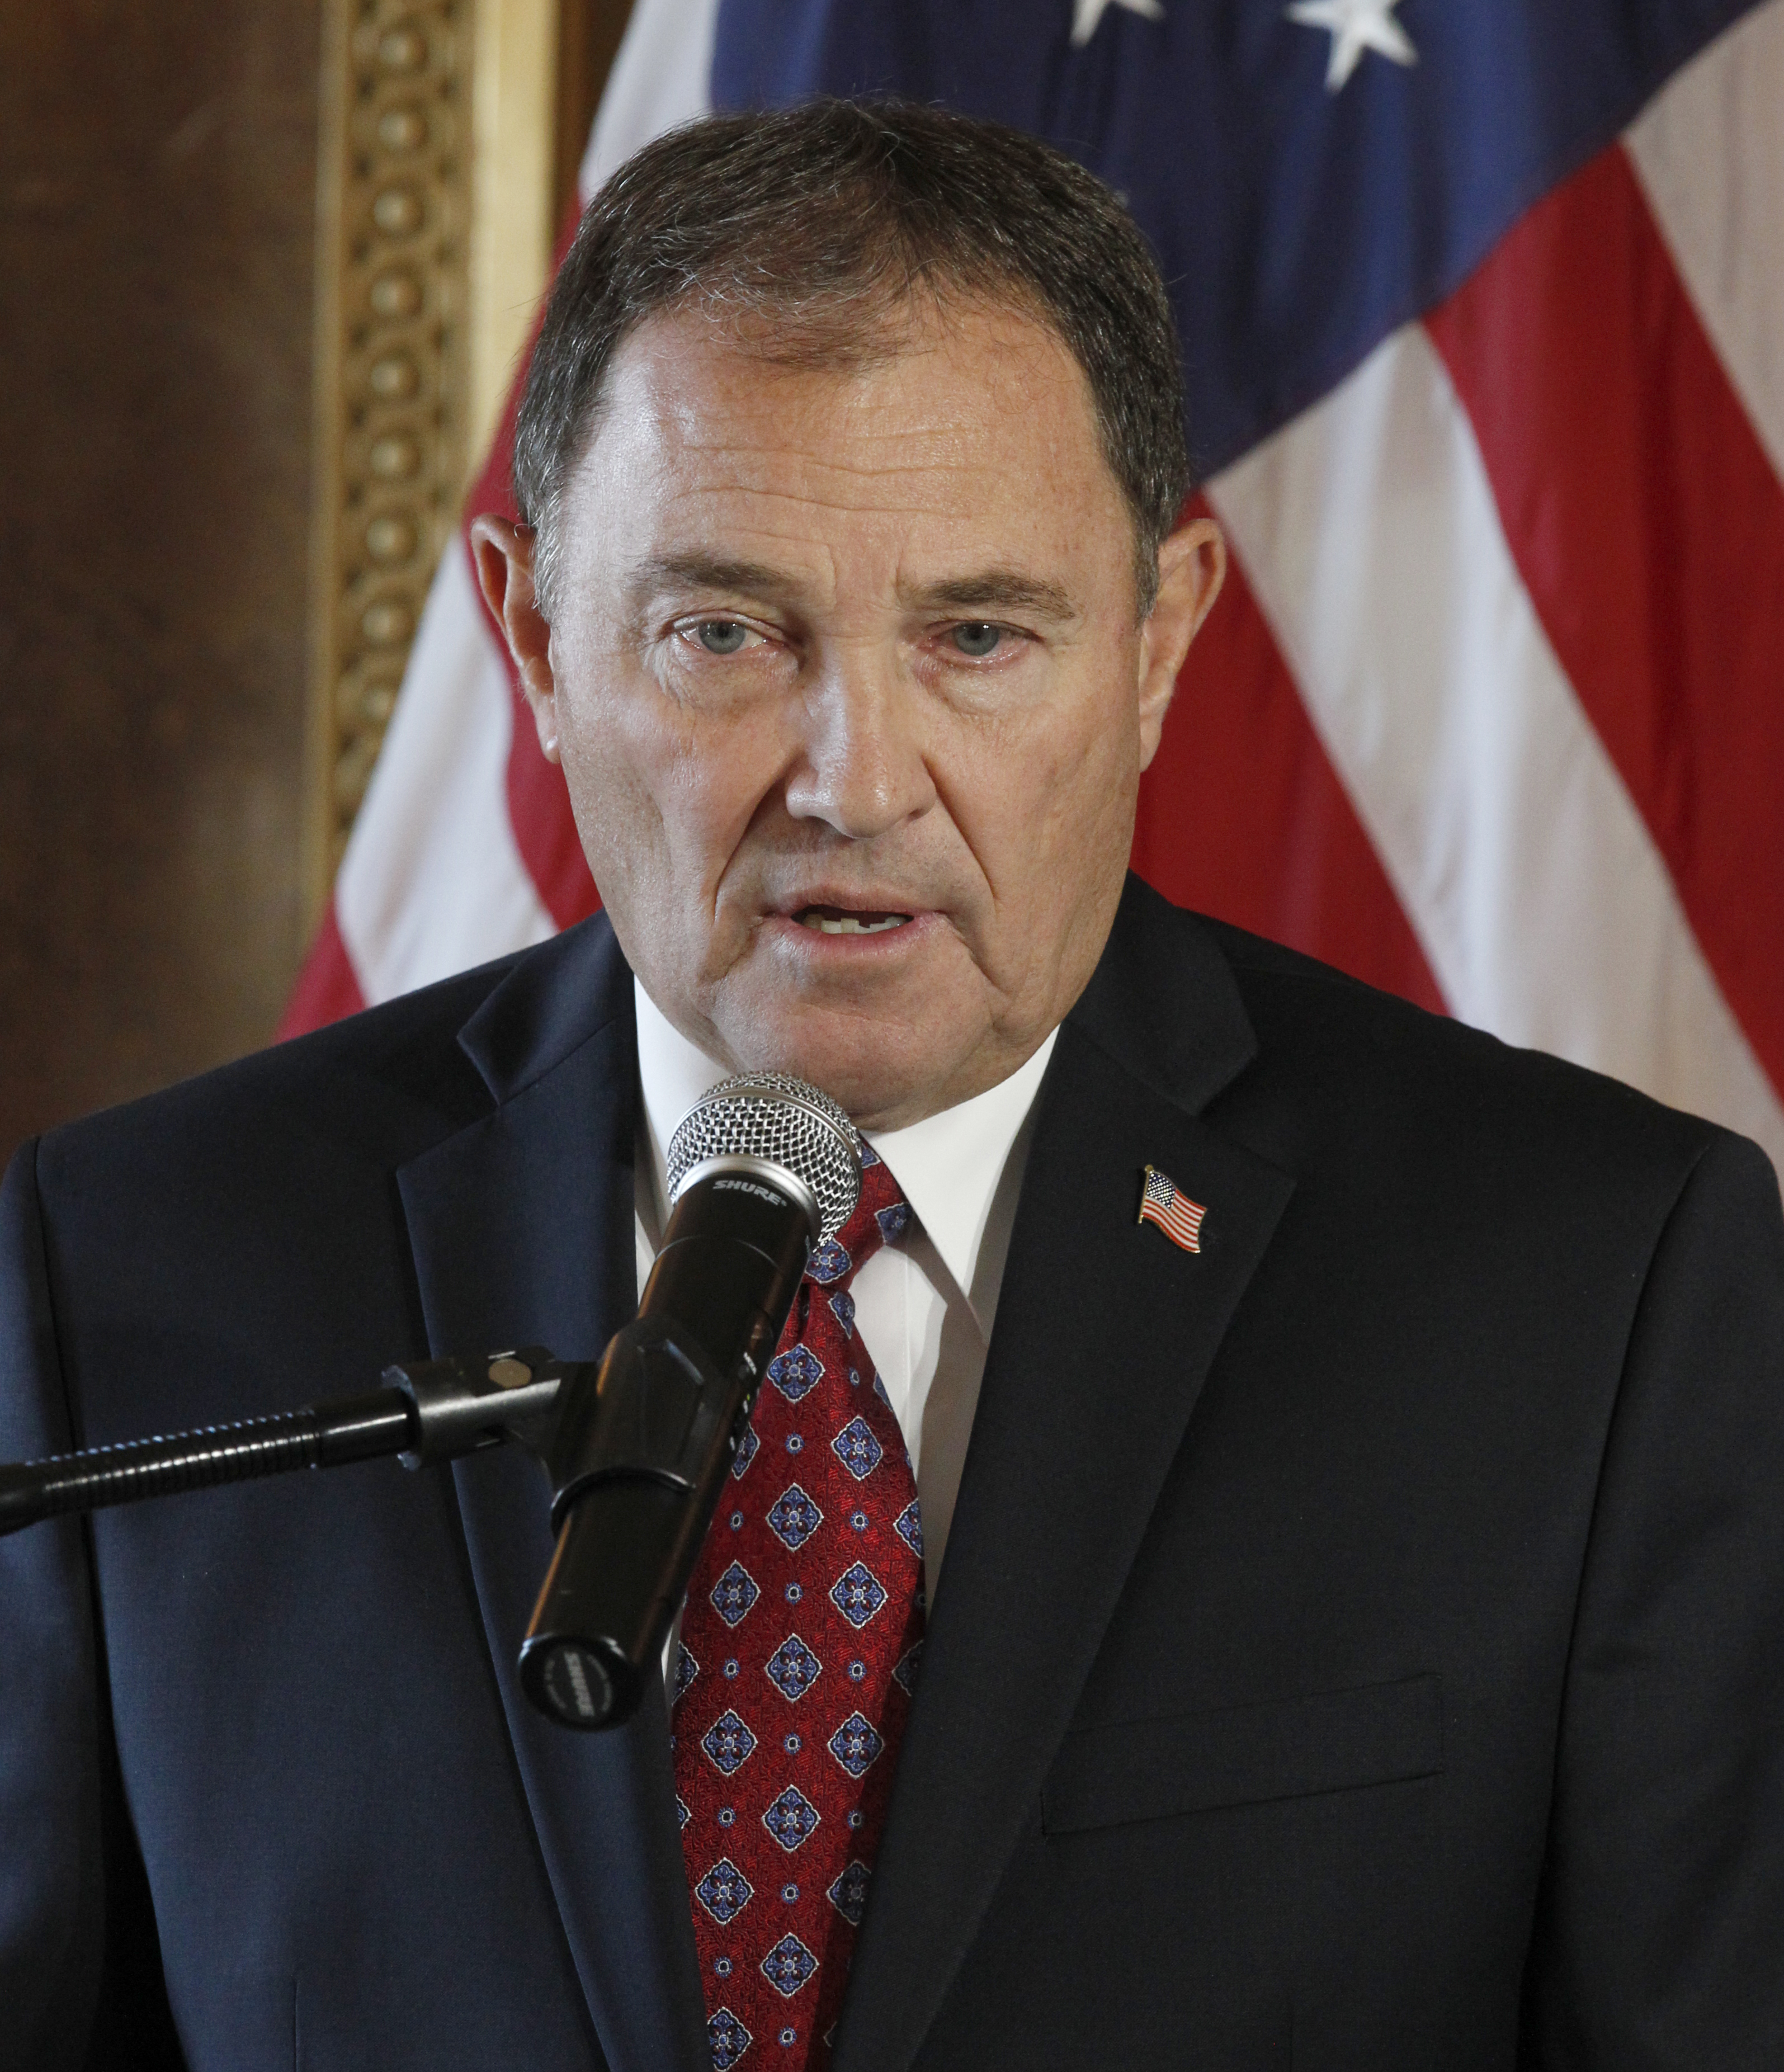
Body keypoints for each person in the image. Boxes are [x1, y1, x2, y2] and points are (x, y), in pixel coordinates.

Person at [2, 100, 1781, 2072]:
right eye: (724, 632)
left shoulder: (1593, 1289)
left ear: (1161, 638)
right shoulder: (135, 1275)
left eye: (980, 635)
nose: (855, 776)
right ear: (532, 636)